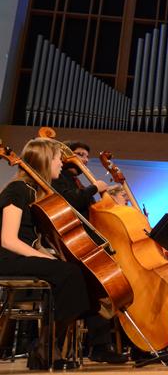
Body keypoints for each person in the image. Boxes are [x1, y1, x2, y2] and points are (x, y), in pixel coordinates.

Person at [0, 138, 91, 370]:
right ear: (44, 160)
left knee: (75, 271)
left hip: (23, 256)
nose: (61, 163)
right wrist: (45, 259)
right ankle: (45, 347)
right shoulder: (18, 190)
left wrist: (50, 256)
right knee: (69, 274)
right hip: (7, 259)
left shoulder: (37, 193)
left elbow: (34, 240)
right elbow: (8, 239)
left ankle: (47, 347)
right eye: (57, 158)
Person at [50, 140, 127, 364]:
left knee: (102, 292)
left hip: (86, 245)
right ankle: (97, 347)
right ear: (65, 155)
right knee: (95, 290)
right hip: (75, 247)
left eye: (85, 156)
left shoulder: (77, 182)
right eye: (79, 154)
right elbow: (70, 202)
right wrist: (95, 188)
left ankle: (102, 346)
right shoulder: (61, 179)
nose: (83, 159)